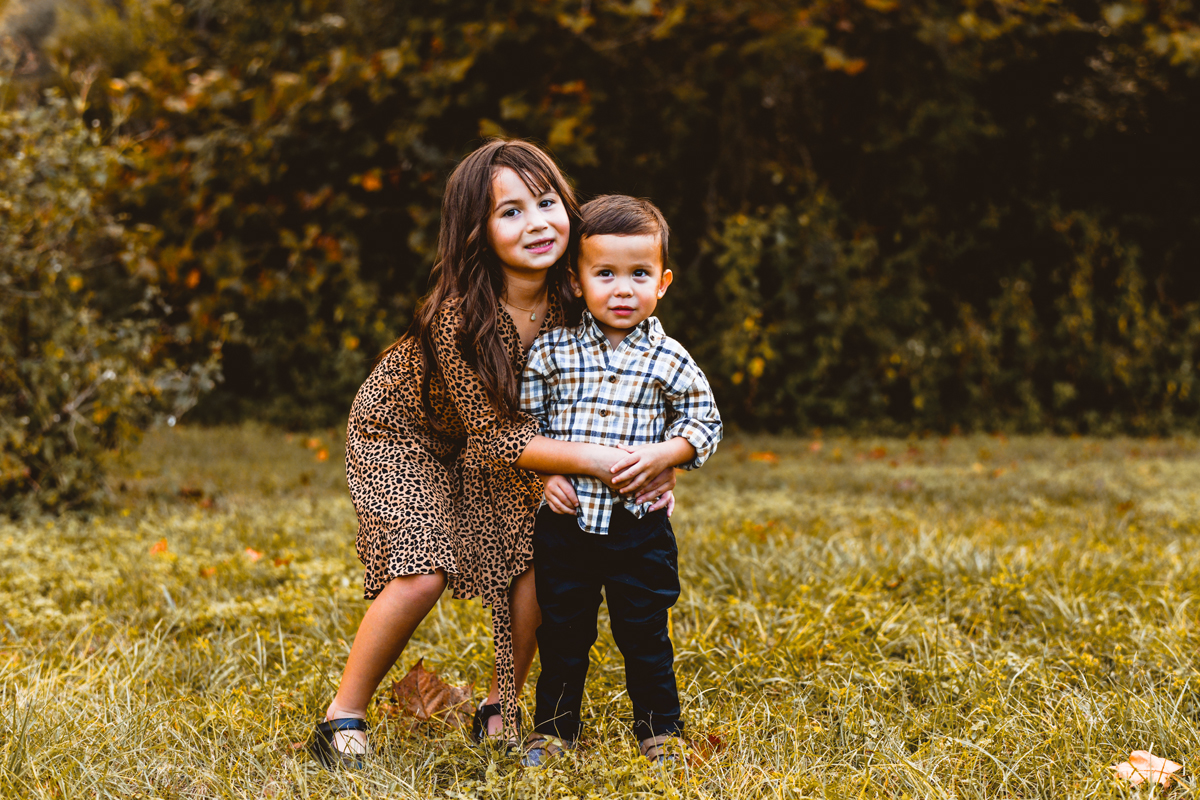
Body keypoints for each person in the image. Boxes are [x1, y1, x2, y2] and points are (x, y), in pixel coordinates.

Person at [308, 142, 678, 769]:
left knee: (541, 553)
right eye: (510, 212)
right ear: (476, 231)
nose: (535, 222)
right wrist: (596, 462)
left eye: (546, 202)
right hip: (403, 438)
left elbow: (641, 374)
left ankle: (500, 704)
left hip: (525, 445)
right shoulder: (459, 318)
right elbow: (493, 436)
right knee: (421, 567)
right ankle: (343, 713)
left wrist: (658, 459)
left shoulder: (582, 293)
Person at [518, 195, 722, 765]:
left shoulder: (671, 359)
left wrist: (667, 455)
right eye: (605, 274)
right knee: (562, 633)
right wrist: (545, 478)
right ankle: (554, 731)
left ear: (663, 282)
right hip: (568, 522)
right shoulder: (552, 353)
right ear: (577, 281)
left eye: (640, 274)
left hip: (640, 526)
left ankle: (659, 730)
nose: (623, 289)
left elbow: (704, 421)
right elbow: (524, 427)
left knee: (645, 634)